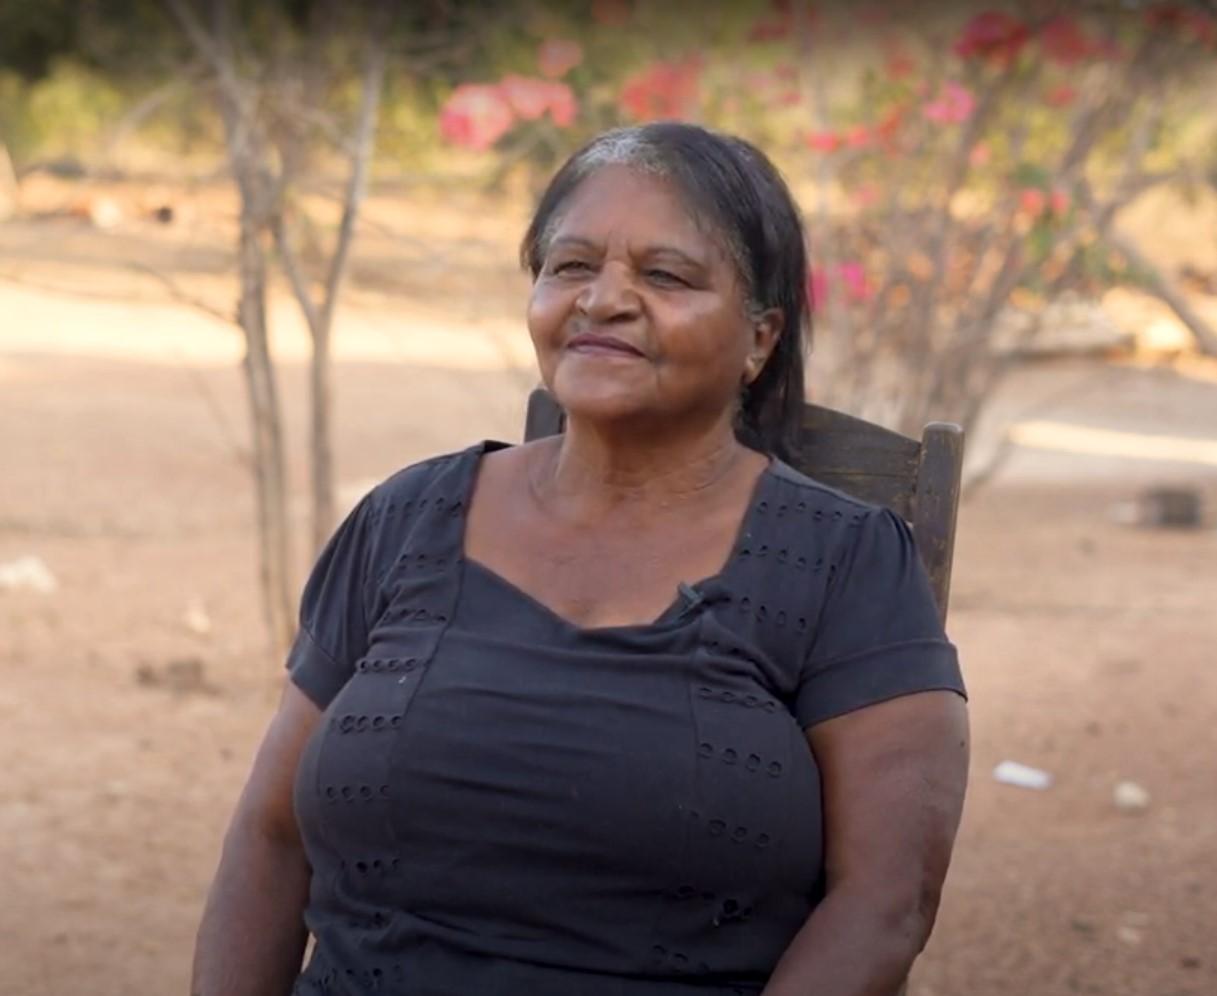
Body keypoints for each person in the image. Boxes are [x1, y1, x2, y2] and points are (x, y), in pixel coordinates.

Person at [190, 122, 968, 996]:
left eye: (664, 275)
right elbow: (269, 835)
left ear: (760, 338)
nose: (602, 300)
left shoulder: (843, 564)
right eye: (570, 266)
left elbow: (885, 901)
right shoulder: (405, 520)